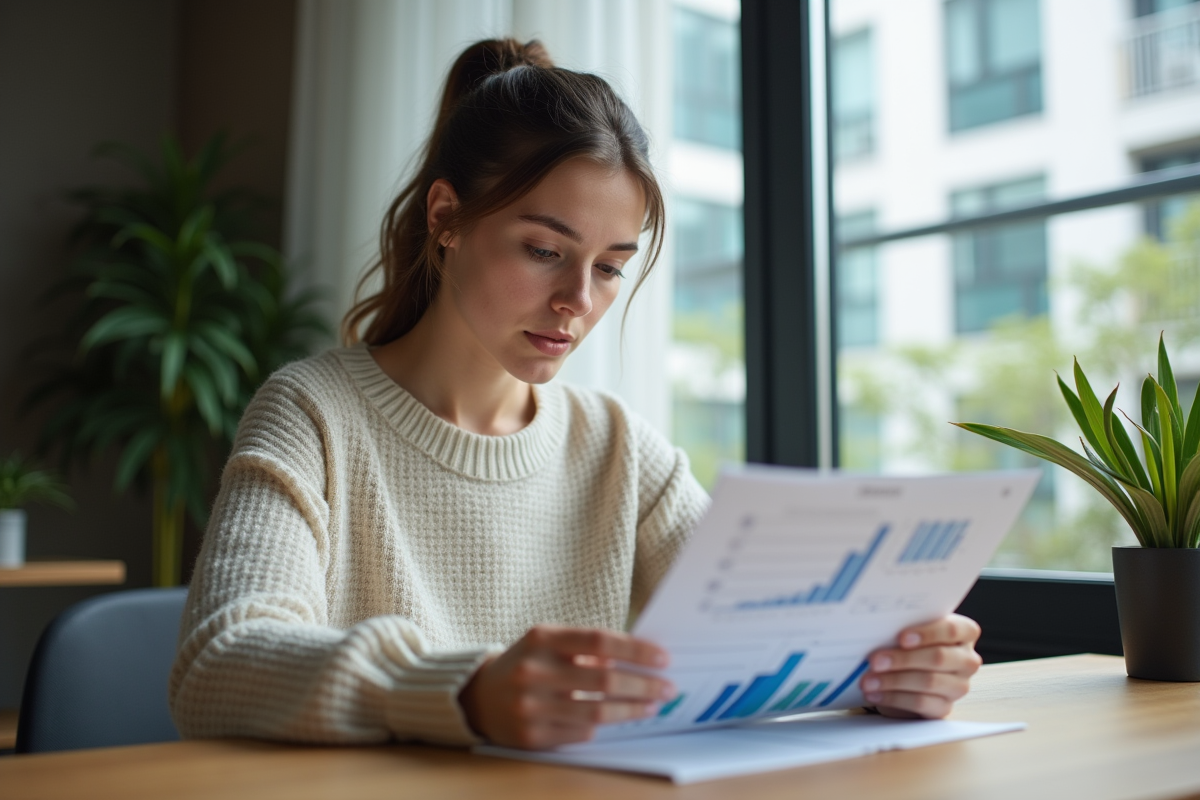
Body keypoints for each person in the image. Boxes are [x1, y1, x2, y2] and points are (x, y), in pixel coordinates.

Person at [169, 38, 983, 752]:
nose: (578, 302)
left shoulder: (617, 446)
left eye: (609, 267)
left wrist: (882, 669)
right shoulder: (313, 413)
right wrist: (468, 691)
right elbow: (220, 662)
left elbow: (763, 640)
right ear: (447, 217)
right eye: (543, 250)